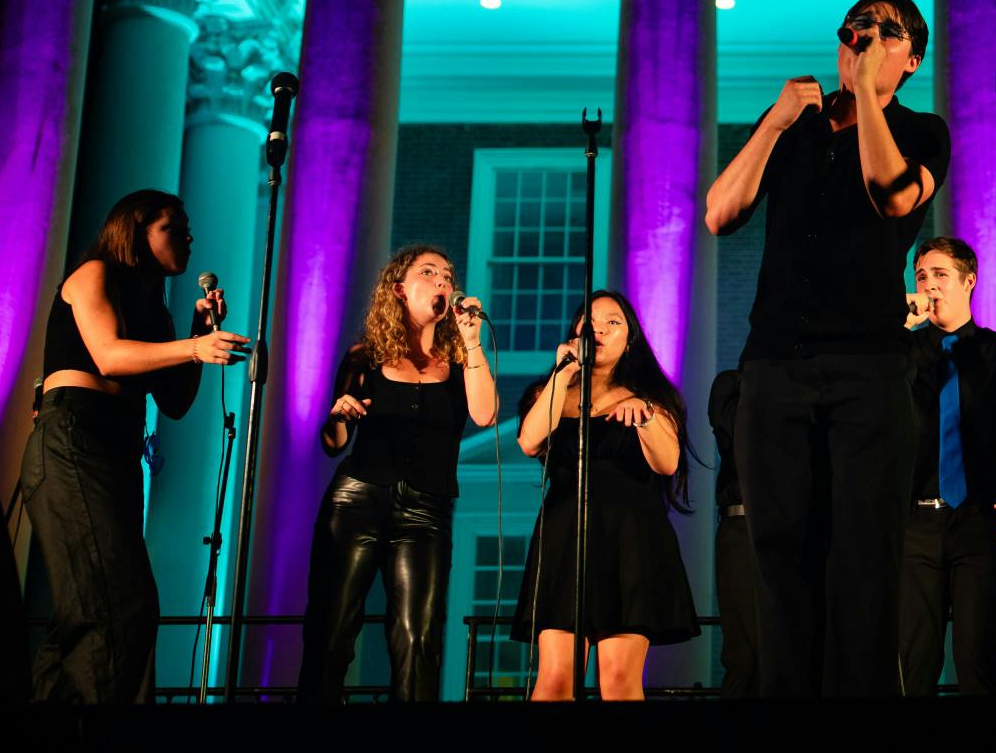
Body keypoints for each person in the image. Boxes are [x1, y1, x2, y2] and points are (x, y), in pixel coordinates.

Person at [705, 0, 949, 696]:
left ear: (912, 57)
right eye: (854, 30)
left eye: (885, 32)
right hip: (775, 365)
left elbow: (892, 194)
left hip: (868, 368)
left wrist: (867, 96)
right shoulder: (796, 130)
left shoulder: (923, 129)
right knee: (780, 559)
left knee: (864, 561)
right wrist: (776, 123)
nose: (864, 40)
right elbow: (721, 213)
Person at [23, 189, 249, 703]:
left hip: (115, 450)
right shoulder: (94, 274)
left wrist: (193, 336)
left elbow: (174, 403)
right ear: (136, 229)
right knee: (120, 603)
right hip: (72, 439)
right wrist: (193, 347)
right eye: (175, 226)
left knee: (93, 607)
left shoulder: (157, 316)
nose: (189, 237)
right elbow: (108, 356)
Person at [297, 245, 498, 702]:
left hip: (426, 512)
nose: (442, 282)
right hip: (357, 500)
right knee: (332, 629)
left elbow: (486, 415)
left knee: (416, 637)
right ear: (399, 290)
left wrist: (471, 340)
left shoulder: (462, 361)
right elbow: (333, 444)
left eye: (448, 276)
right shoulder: (364, 357)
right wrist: (339, 415)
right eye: (428, 273)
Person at [512, 290, 699, 700]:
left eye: (612, 322)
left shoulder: (653, 396)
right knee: (556, 679)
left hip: (629, 539)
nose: (598, 329)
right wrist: (563, 374)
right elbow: (528, 441)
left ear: (629, 338)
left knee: (618, 679)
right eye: (590, 321)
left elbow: (668, 464)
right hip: (566, 537)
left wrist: (645, 415)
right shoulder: (551, 391)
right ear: (576, 331)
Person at [897, 237, 996, 695]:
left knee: (980, 662)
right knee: (911, 664)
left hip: (983, 521)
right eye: (922, 276)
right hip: (912, 524)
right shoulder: (898, 353)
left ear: (969, 281)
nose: (930, 285)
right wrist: (898, 335)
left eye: (941, 275)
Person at [707, 368, 761, 698]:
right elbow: (743, 435)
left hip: (807, 529)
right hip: (744, 526)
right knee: (748, 657)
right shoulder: (733, 383)